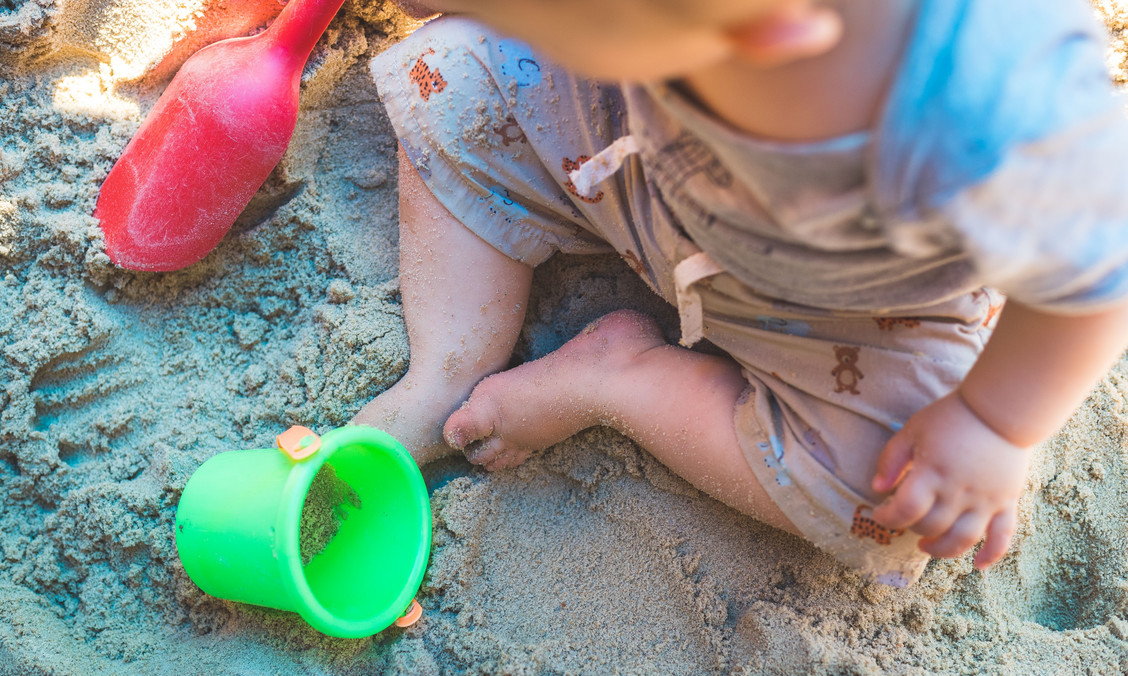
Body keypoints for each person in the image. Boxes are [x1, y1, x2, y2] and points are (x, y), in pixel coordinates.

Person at [351, 0, 1128, 586]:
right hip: (631, 152)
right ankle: (446, 369)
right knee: (453, 77)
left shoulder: (983, 105)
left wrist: (993, 424)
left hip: (848, 309)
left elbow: (1105, 271)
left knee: (883, 505)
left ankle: (618, 378)